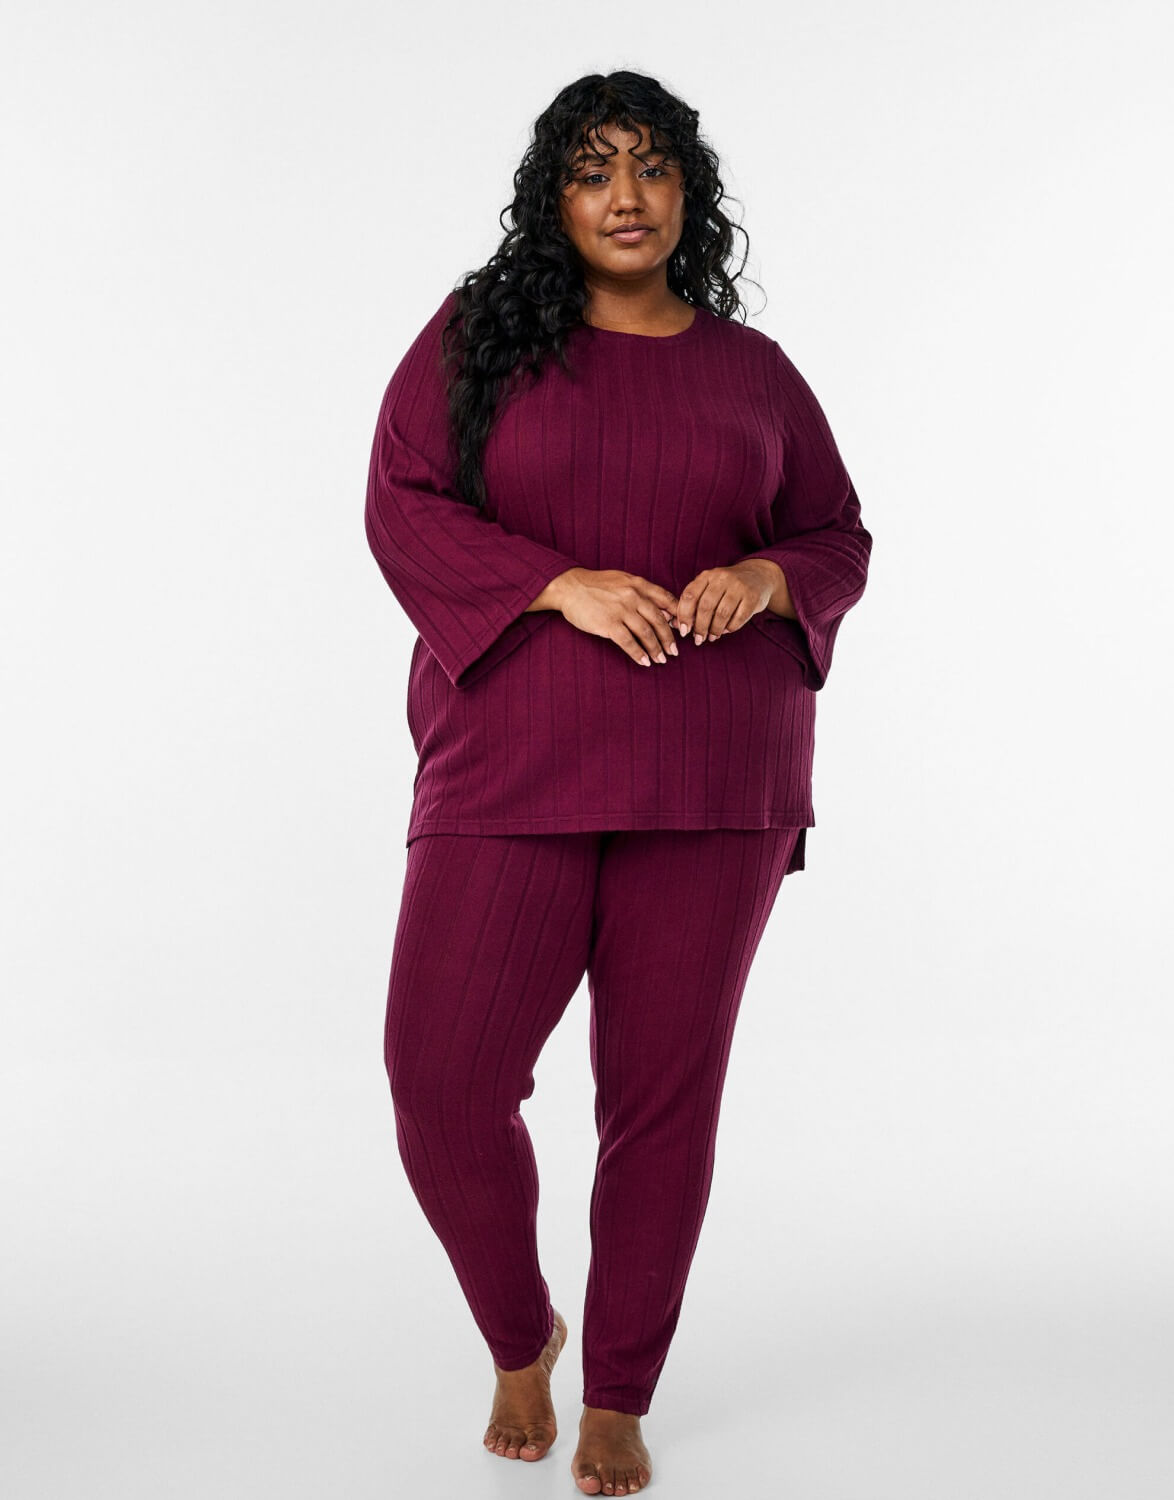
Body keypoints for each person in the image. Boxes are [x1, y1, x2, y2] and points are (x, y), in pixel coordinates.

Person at [364, 70, 872, 1497]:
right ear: (556, 199)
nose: (627, 197)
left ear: (688, 192)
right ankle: (521, 1335)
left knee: (658, 1099)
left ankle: (620, 1391)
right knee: (442, 1082)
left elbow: (837, 532)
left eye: (651, 167)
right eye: (593, 171)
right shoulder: (477, 340)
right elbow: (401, 504)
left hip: (713, 769)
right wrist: (557, 584)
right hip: (510, 759)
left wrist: (766, 575)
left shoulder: (752, 372)